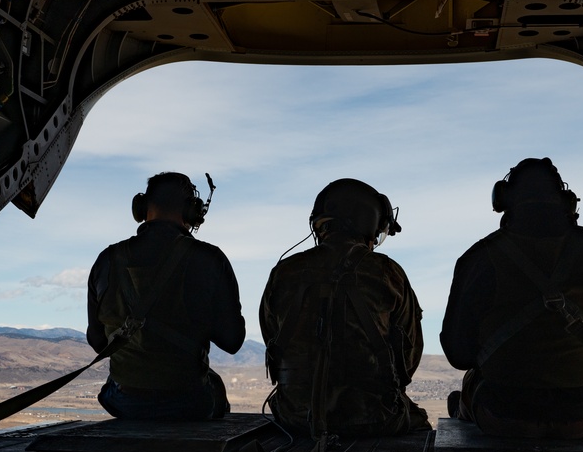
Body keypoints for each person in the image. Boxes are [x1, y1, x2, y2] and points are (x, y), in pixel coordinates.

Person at [441, 158, 583, 439]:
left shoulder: (478, 259)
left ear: (503, 201)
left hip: (502, 417)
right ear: (567, 202)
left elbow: (458, 354)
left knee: (471, 380)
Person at [260, 179, 430, 438]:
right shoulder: (387, 272)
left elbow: (271, 337)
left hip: (294, 418)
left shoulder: (284, 272)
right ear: (370, 223)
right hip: (376, 419)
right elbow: (407, 361)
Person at [87, 172, 246, 420]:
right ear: (193, 210)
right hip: (188, 401)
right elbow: (233, 341)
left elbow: (98, 340)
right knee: (214, 384)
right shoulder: (210, 259)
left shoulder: (107, 259)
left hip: (124, 399)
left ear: (140, 207)